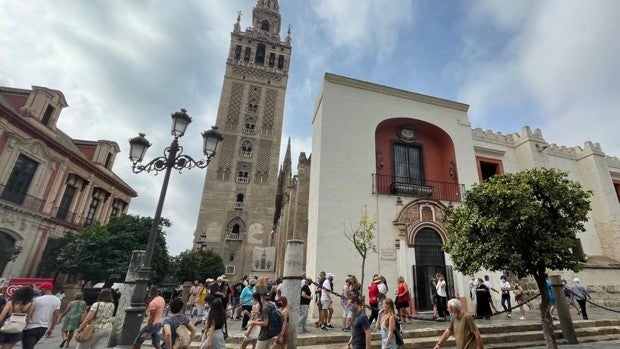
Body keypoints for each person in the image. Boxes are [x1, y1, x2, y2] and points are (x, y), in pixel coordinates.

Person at [21, 281, 61, 349]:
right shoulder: (57, 300)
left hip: (31, 326)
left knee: (26, 347)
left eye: (41, 289)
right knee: (30, 346)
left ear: (45, 289)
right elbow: (56, 315)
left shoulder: (37, 300)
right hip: (43, 327)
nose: (40, 290)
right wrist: (52, 328)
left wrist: (24, 325)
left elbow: (30, 313)